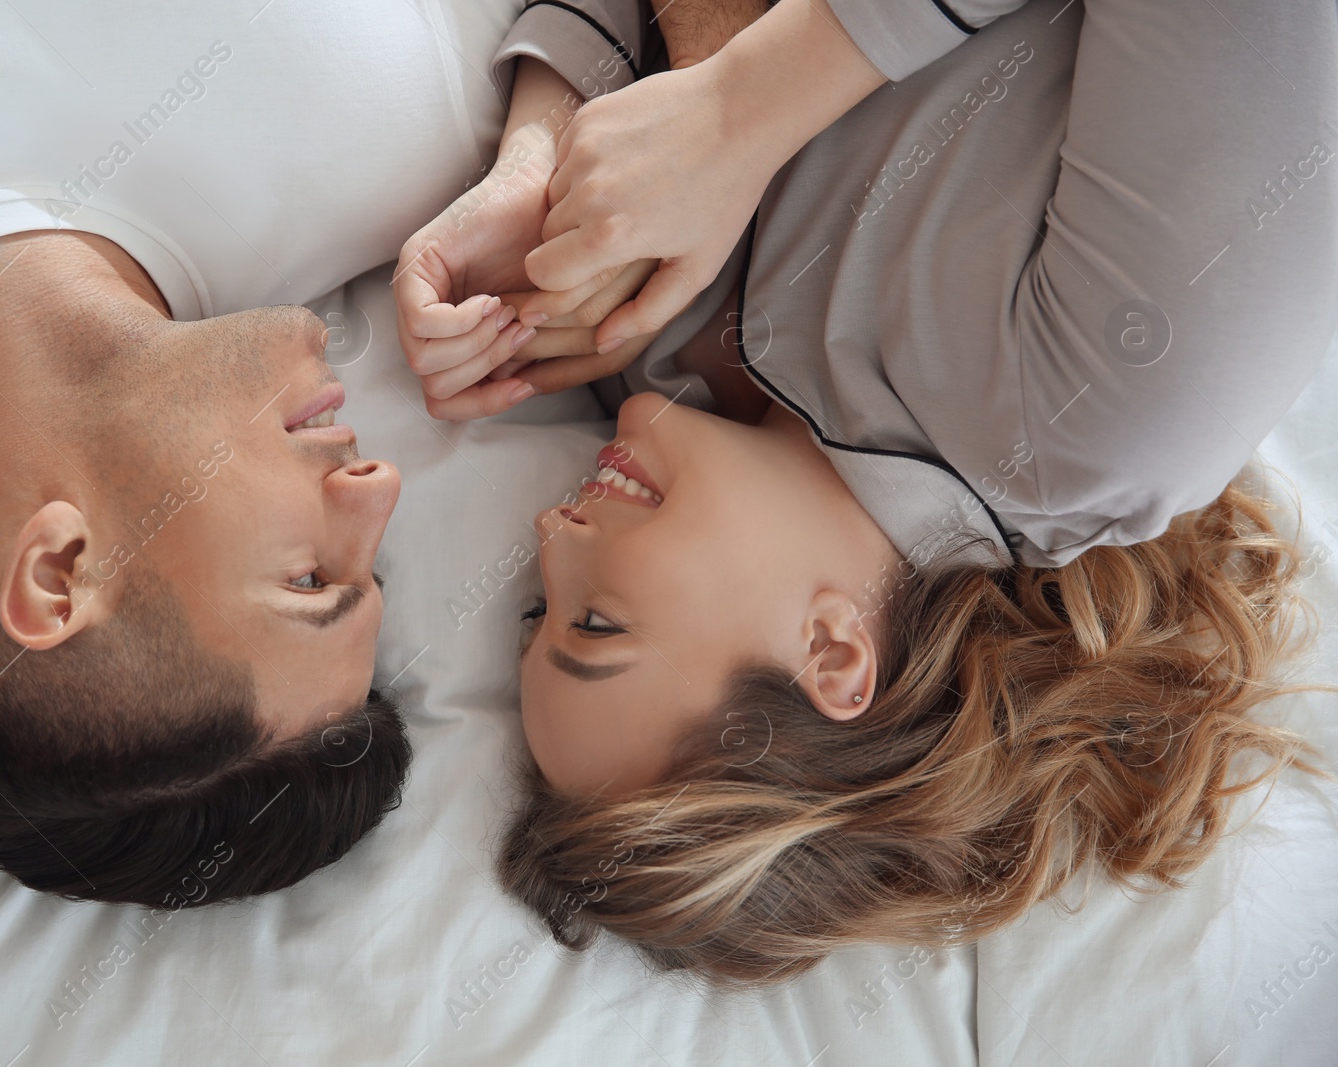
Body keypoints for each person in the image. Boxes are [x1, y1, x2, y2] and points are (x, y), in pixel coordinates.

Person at [398, 0, 1338, 981]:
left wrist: (538, 167)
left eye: (541, 608)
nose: (551, 534)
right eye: (595, 624)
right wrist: (731, 112)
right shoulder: (1113, 410)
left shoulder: (642, 360)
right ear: (831, 648)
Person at [0, 0, 647, 906]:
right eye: (374, 574)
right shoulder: (407, 161)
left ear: (60, 571)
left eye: (309, 581)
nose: (380, 486)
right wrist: (550, 148)